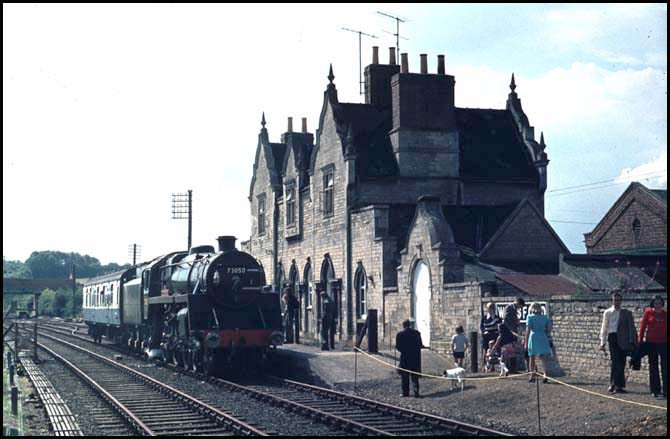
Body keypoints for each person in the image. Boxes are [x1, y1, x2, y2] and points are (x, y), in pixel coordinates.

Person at [599, 292, 638, 394]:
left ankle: (618, 385)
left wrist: (632, 341)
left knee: (622, 361)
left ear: (621, 301)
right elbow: (604, 328)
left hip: (623, 338)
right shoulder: (607, 312)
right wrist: (602, 342)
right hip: (613, 338)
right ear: (612, 301)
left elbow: (631, 328)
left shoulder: (625, 313)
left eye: (618, 300)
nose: (616, 302)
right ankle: (614, 384)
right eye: (614, 300)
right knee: (615, 361)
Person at [638, 295, 667, 398]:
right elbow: (642, 327)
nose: (658, 305)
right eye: (655, 303)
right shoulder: (648, 313)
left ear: (662, 304)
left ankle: (666, 390)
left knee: (665, 367)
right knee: (653, 367)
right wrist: (640, 340)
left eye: (659, 303)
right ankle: (655, 390)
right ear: (652, 304)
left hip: (664, 343)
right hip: (651, 343)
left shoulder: (665, 314)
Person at [525, 302, 552, 383]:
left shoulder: (530, 317)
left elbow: (528, 330)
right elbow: (549, 328)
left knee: (532, 357)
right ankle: (545, 374)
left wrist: (526, 342)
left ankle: (532, 375)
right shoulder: (545, 317)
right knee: (543, 357)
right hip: (542, 336)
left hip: (533, 336)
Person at [396, 319, 423, 397]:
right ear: (409, 325)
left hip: (405, 357)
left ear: (403, 325)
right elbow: (420, 345)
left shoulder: (400, 334)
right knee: (414, 375)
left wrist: (404, 350)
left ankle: (405, 392)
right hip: (415, 357)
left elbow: (398, 347)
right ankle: (416, 391)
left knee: (405, 376)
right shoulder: (417, 333)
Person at [502, 297, 524, 373]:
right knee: (510, 350)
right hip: (510, 332)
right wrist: (515, 320)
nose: (519, 308)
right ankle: (510, 368)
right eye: (520, 306)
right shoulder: (509, 307)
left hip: (513, 331)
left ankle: (513, 368)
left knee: (514, 350)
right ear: (518, 303)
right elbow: (505, 319)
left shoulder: (513, 308)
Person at [480, 302, 502, 369]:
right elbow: (481, 327)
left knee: (495, 350)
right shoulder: (484, 318)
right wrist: (484, 332)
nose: (490, 309)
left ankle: (493, 366)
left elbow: (500, 326)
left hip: (494, 335)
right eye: (489, 308)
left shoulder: (497, 317)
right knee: (485, 350)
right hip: (486, 336)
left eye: (492, 308)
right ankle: (485, 366)